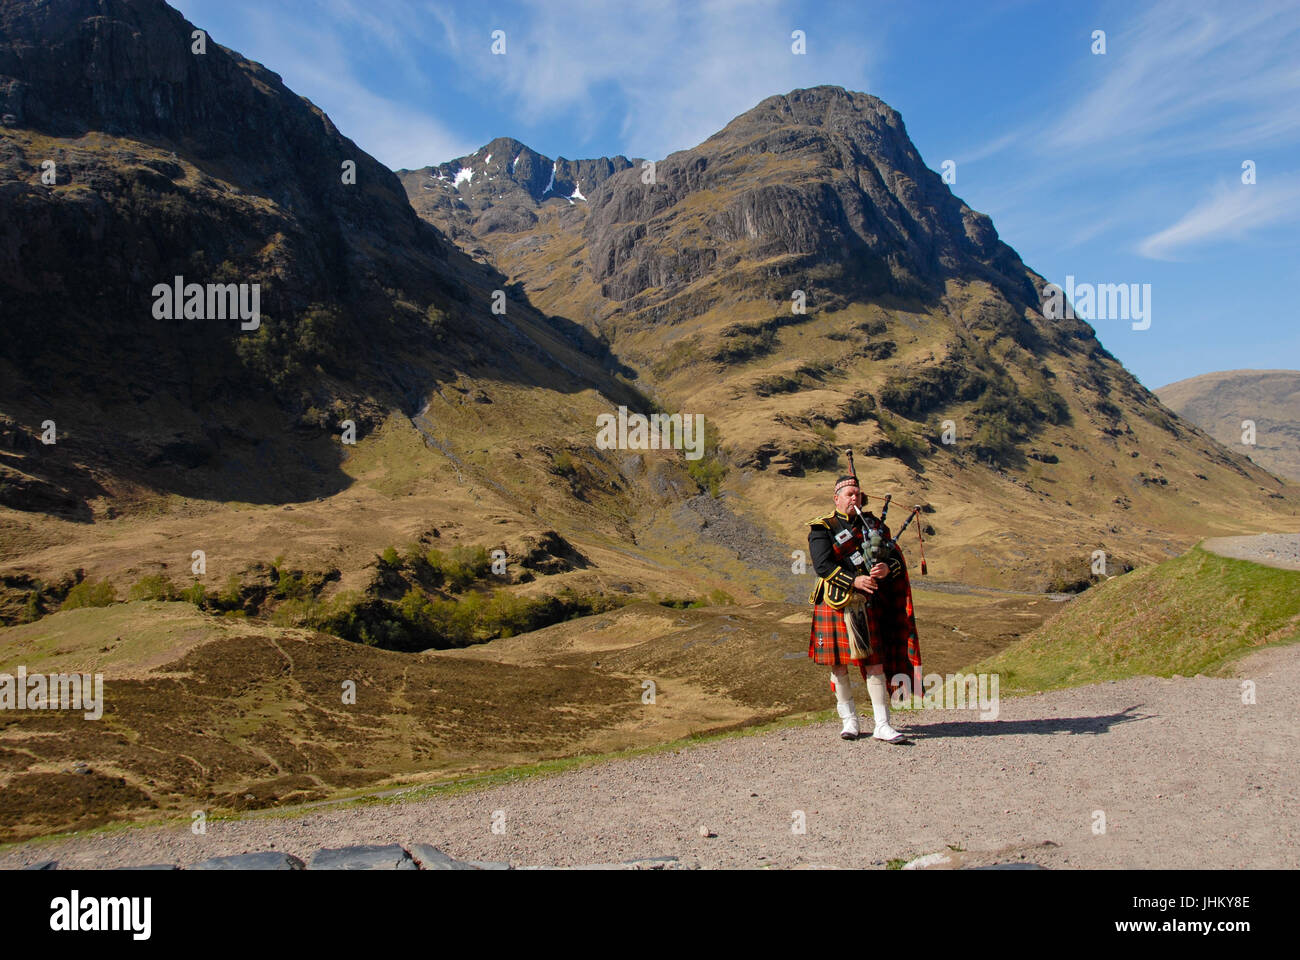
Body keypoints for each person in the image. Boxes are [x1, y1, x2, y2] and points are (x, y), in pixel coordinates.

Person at [806, 474, 922, 743]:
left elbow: (894, 560)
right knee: (838, 666)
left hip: (867, 603)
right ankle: (850, 721)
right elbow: (822, 566)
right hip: (835, 602)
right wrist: (854, 579)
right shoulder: (822, 528)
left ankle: (882, 724)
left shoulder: (874, 525)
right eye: (848, 494)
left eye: (857, 493)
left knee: (875, 664)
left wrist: (884, 569)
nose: (854, 498)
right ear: (836, 498)